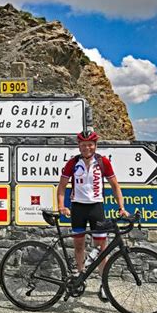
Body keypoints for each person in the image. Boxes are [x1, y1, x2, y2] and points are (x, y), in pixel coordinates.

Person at [57, 129, 128, 302]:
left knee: (101, 249)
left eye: (90, 144)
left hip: (96, 208)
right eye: (83, 145)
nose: (87, 148)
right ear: (79, 146)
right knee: (79, 246)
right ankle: (79, 279)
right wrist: (61, 206)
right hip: (78, 209)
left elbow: (115, 186)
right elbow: (61, 187)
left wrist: (122, 207)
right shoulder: (73, 163)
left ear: (95, 146)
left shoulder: (103, 162)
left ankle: (104, 285)